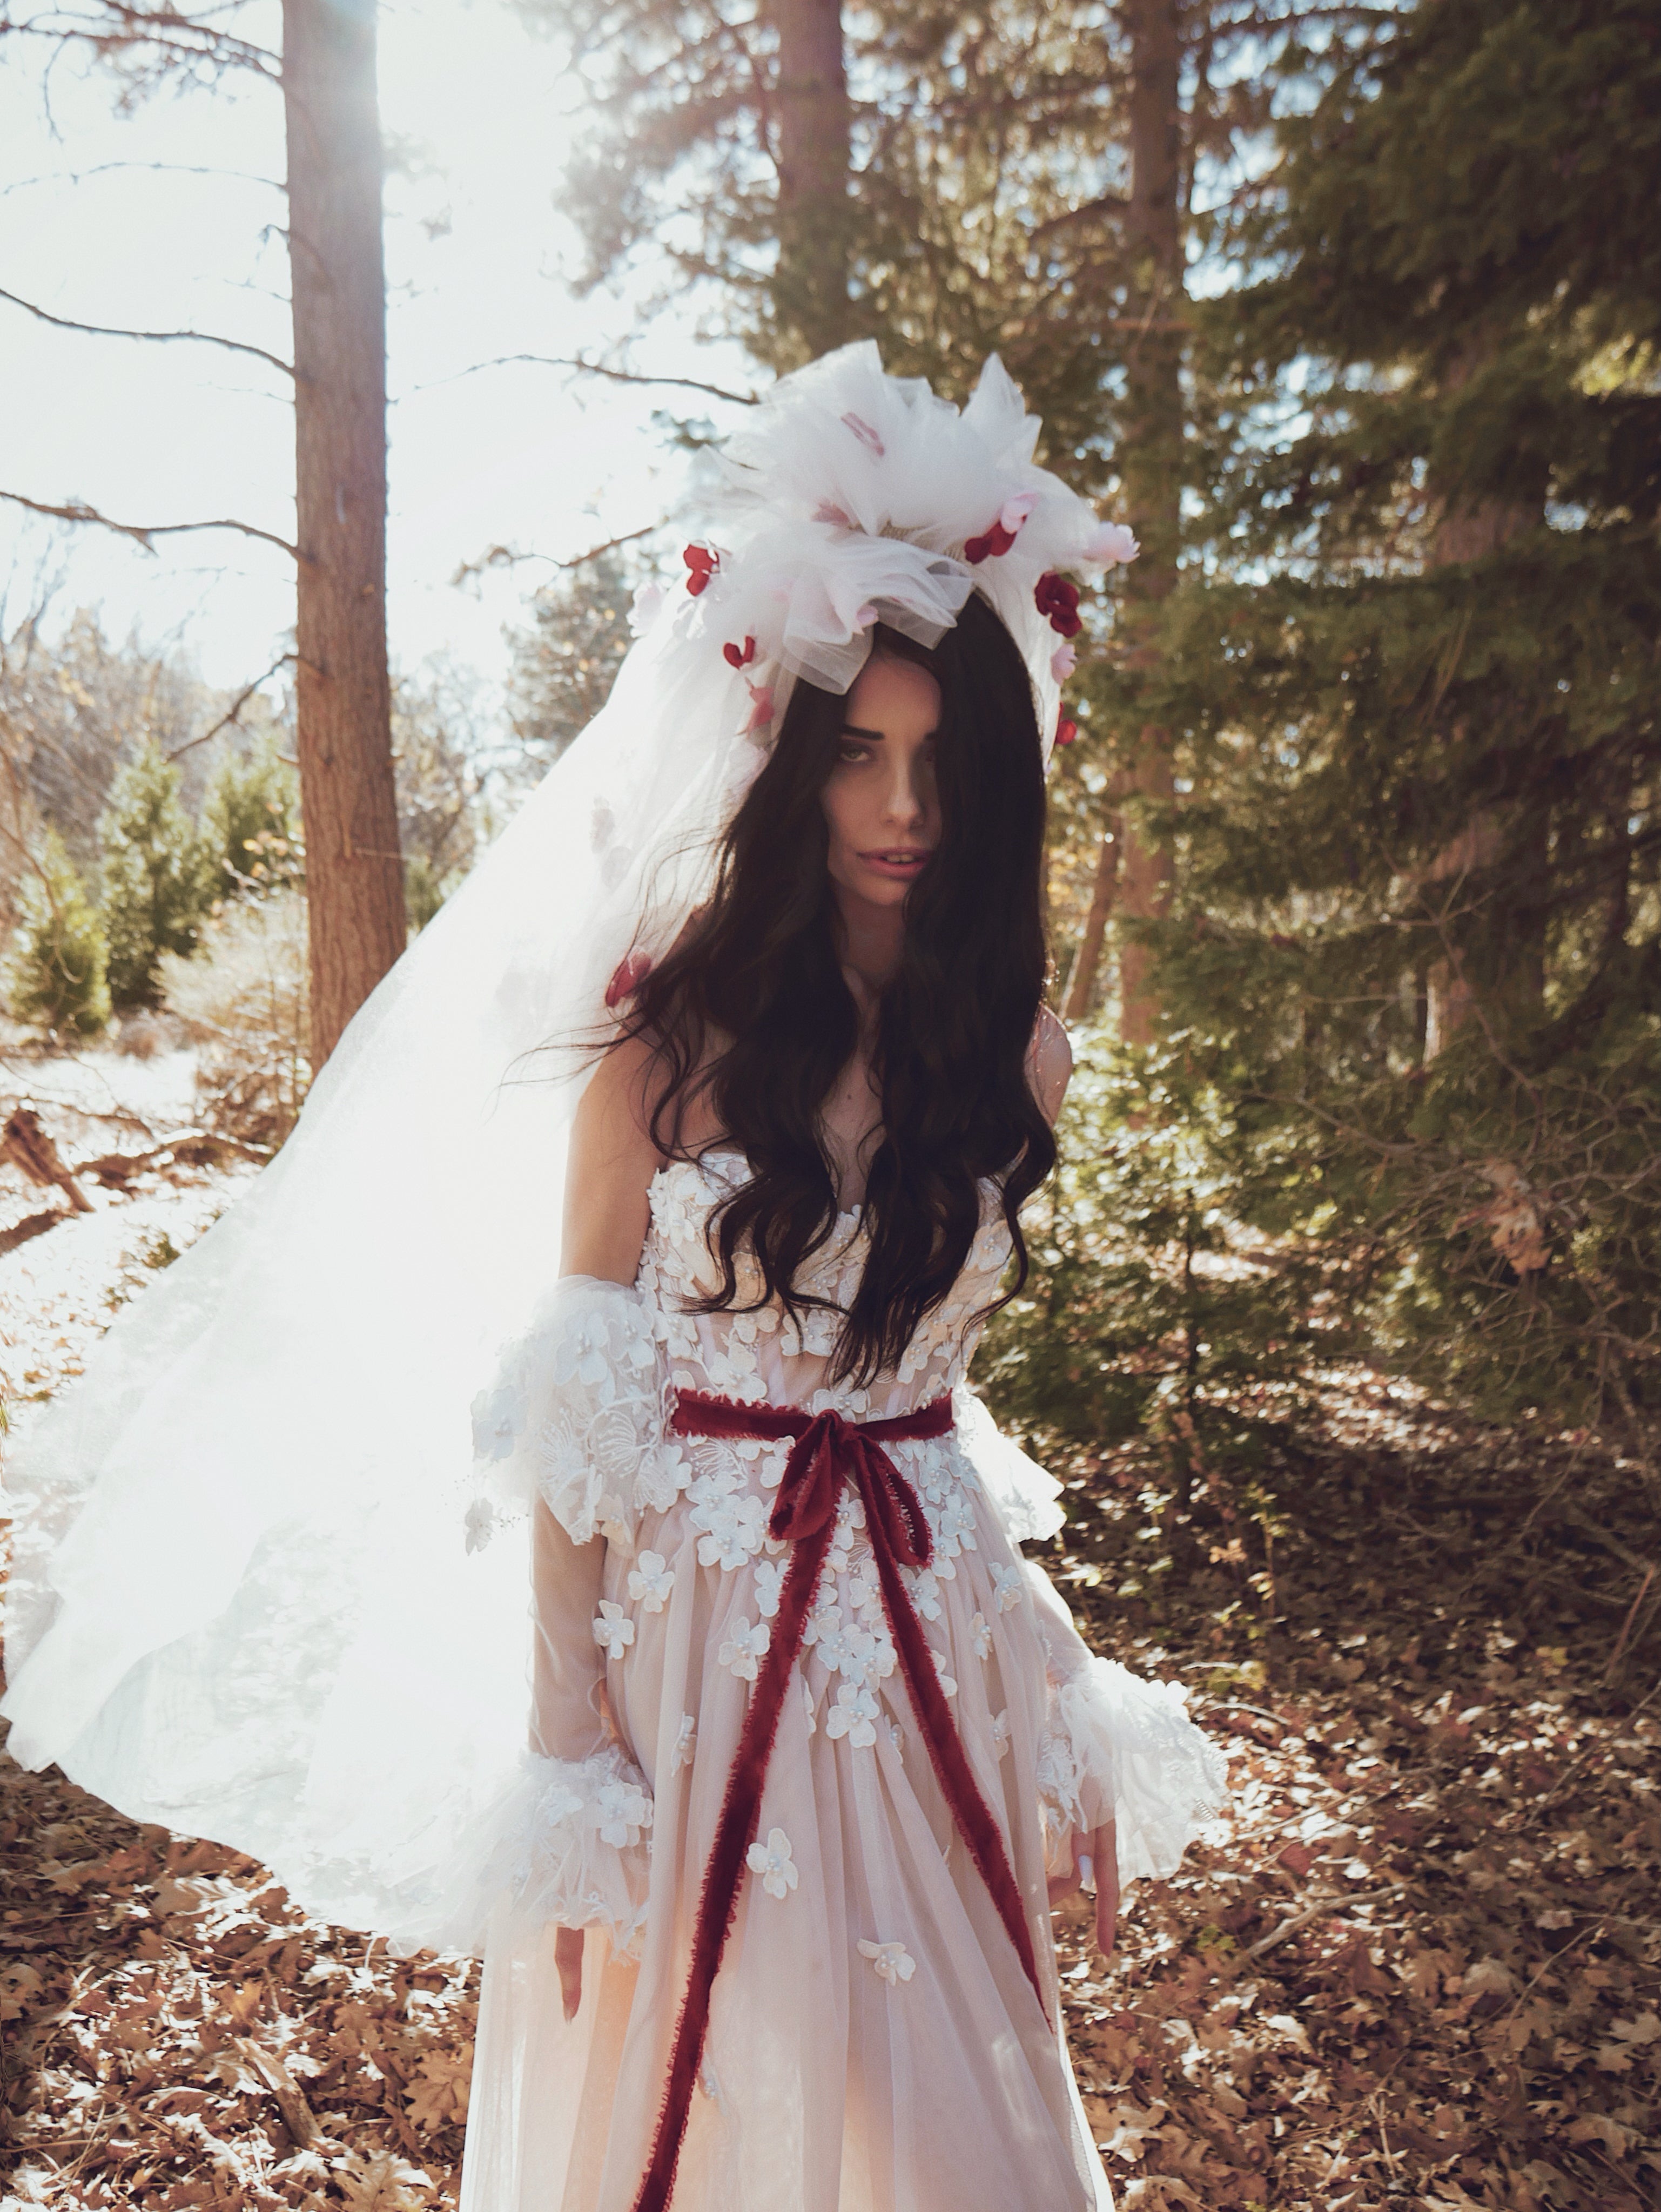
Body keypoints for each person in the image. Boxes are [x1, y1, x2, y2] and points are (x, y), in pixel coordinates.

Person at [1, 345, 1226, 2212]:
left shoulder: (1024, 1053)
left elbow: (929, 1392)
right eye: (859, 755)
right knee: (724, 2100)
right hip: (698, 1659)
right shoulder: (664, 1056)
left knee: (960, 2143)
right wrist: (569, 1749)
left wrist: (1048, 1657)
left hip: (929, 1630)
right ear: (788, 761)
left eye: (939, 761)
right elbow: (586, 1412)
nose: (901, 807)